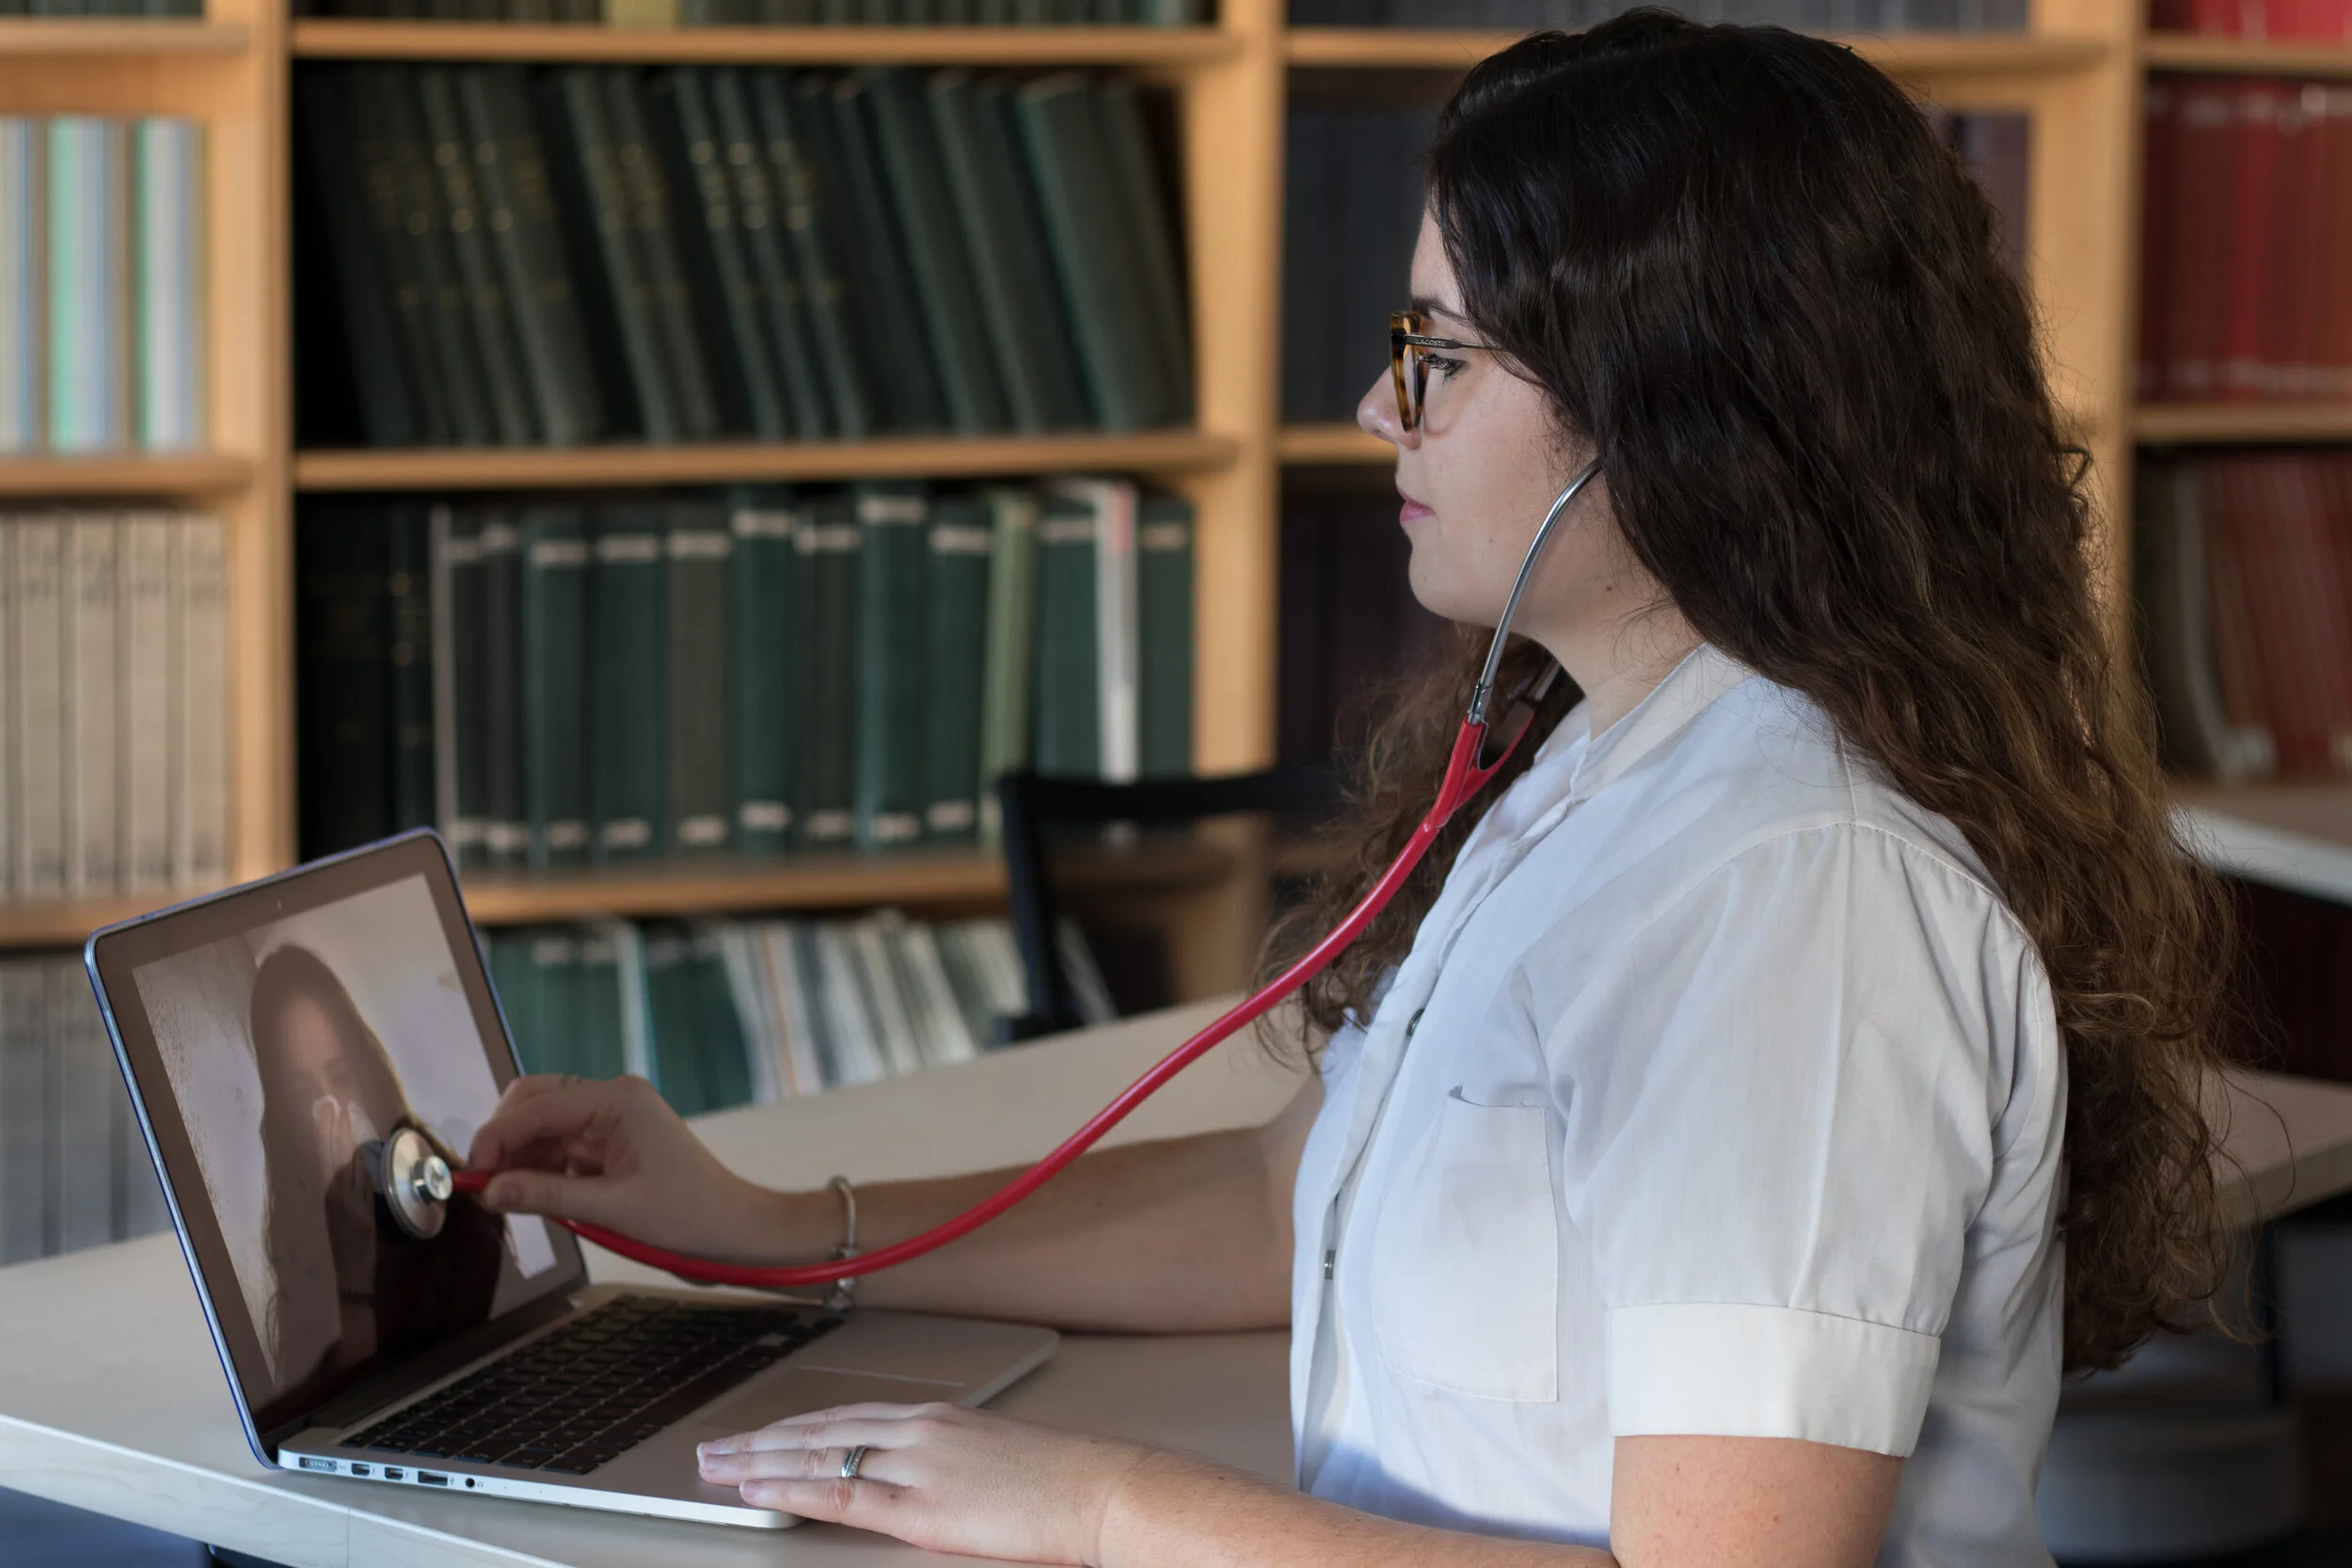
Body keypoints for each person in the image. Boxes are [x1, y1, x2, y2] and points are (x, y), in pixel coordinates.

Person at [467, 14, 2233, 1564]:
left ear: (1674, 417)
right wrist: (768, 1232)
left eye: (1443, 358)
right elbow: (1272, 1205)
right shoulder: (1592, 760)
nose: (1377, 407)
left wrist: (1101, 1512)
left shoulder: (1797, 898)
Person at [251, 943, 504, 1408]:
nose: (335, 1112)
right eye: (306, 1094)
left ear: (364, 1073)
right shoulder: (303, 1252)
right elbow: (342, 1418)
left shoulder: (449, 1205)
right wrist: (351, 1272)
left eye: (340, 1077)